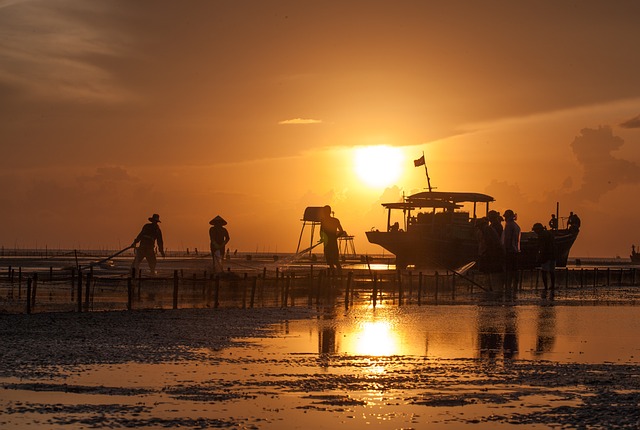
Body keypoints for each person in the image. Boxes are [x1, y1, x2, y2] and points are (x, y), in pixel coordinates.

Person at [532, 222, 556, 298]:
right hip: (553, 255)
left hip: (546, 255)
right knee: (552, 271)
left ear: (538, 230)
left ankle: (546, 287)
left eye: (535, 230)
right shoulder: (549, 233)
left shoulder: (541, 235)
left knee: (544, 271)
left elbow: (541, 247)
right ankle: (552, 285)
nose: (535, 232)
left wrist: (538, 256)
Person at [501, 209, 521, 297]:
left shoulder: (509, 225)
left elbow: (507, 239)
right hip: (515, 250)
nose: (504, 218)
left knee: (509, 271)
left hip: (510, 251)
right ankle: (515, 288)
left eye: (505, 216)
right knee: (514, 270)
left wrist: (505, 250)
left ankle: (508, 288)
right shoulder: (516, 225)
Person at [320, 205, 345, 273]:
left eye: (325, 212)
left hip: (329, 243)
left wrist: (323, 238)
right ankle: (336, 275)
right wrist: (334, 237)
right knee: (333, 261)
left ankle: (338, 274)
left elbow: (321, 232)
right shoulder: (334, 220)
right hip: (331, 242)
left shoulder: (325, 221)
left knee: (333, 261)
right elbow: (341, 231)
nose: (325, 213)